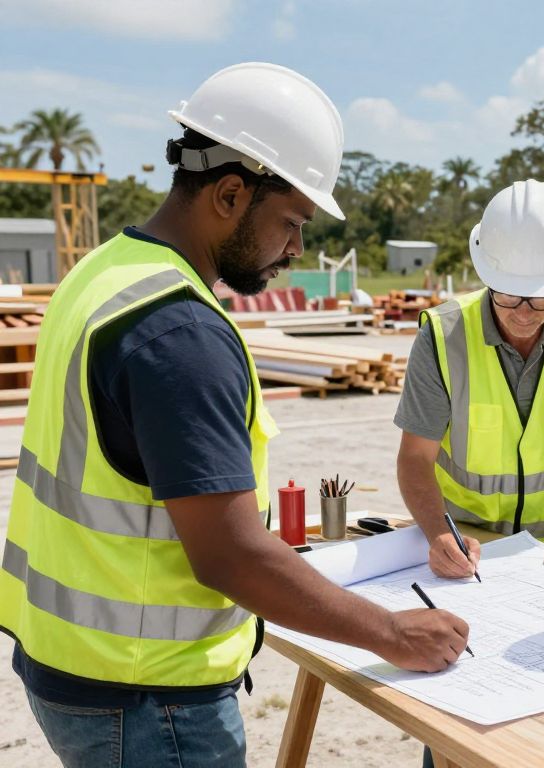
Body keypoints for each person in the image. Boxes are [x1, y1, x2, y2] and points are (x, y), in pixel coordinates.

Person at [0, 62, 468, 768]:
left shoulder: (103, 271)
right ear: (227, 193)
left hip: (72, 666)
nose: (297, 250)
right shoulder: (178, 332)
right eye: (292, 223)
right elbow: (229, 554)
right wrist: (391, 634)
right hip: (147, 696)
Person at [395, 179, 544, 578]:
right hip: (466, 541)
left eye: (542, 297)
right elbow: (415, 458)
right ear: (486, 276)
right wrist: (439, 533)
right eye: (509, 295)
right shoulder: (443, 336)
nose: (524, 312)